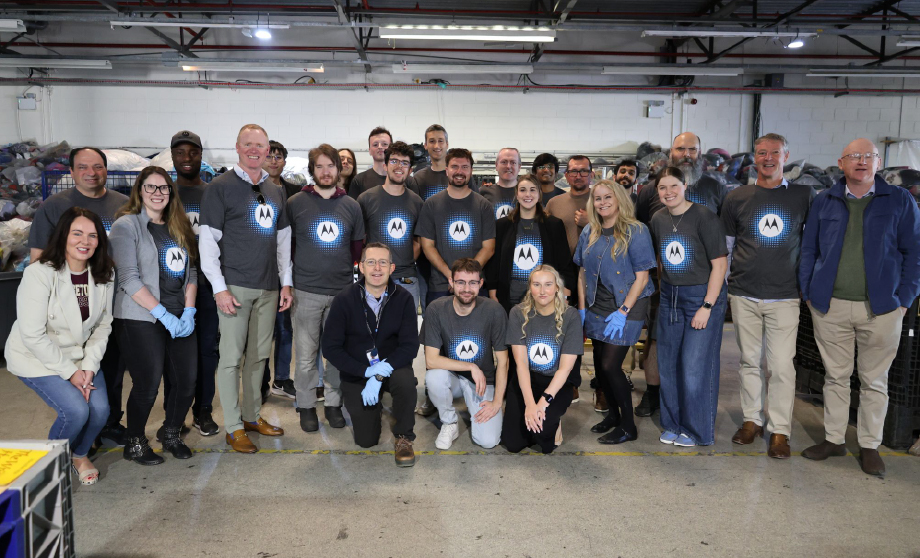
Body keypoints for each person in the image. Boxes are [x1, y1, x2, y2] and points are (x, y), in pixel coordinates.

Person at [800, 138, 920, 476]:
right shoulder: (824, 201)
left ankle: (869, 445)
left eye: (868, 156)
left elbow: (915, 252)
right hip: (830, 306)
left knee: (874, 381)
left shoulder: (899, 200)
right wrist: (809, 292)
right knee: (835, 378)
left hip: (882, 309)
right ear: (842, 163)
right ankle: (834, 439)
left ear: (878, 162)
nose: (861, 161)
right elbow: (809, 250)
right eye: (854, 156)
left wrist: (904, 300)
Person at [199, 124, 292, 454]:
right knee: (230, 359)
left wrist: (286, 282)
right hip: (235, 287)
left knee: (258, 358)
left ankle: (252, 417)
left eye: (261, 145)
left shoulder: (276, 190)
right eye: (248, 144)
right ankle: (234, 427)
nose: (255, 150)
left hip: (269, 288)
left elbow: (283, 241)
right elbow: (207, 242)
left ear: (268, 151)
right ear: (237, 147)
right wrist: (219, 289)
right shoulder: (220, 187)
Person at [721, 133, 814, 458]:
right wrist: (727, 284)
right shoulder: (737, 197)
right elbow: (729, 247)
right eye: (762, 153)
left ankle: (780, 431)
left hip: (785, 295)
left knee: (781, 366)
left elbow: (812, 245)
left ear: (785, 155)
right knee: (748, 361)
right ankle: (751, 421)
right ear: (755, 158)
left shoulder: (804, 195)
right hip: (745, 293)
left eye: (774, 152)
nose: (768, 158)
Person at [6, 207, 114, 485]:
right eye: (77, 233)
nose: (85, 241)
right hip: (36, 356)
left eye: (92, 235)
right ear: (63, 236)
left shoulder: (105, 274)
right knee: (76, 410)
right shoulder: (40, 273)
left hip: (79, 356)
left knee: (100, 410)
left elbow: (103, 325)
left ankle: (78, 454)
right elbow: (32, 334)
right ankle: (47, 465)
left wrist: (88, 367)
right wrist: (70, 373)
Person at [28, 148, 130, 446]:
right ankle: (84, 426)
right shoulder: (54, 206)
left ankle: (109, 423)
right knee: (76, 366)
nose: (91, 173)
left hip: (112, 300)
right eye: (83, 167)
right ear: (71, 172)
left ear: (106, 170)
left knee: (111, 366)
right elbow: (38, 258)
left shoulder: (123, 205)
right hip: (68, 308)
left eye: (98, 167)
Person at [634, 132, 728, 420]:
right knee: (658, 343)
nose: (686, 154)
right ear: (670, 151)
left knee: (694, 357)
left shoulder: (714, 187)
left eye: (692, 149)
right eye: (680, 148)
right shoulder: (651, 190)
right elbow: (642, 233)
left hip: (700, 284)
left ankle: (693, 415)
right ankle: (654, 394)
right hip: (664, 284)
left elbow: (721, 243)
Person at [109, 167, 198, 464]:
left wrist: (188, 310)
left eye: (163, 188)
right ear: (139, 190)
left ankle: (170, 433)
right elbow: (129, 278)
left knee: (186, 381)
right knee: (147, 384)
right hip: (140, 315)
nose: (157, 193)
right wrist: (162, 314)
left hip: (177, 312)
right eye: (151, 187)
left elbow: (192, 273)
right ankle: (134, 442)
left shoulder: (179, 226)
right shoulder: (126, 225)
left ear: (171, 193)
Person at [649, 167, 728, 447]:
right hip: (670, 296)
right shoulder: (658, 219)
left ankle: (696, 430)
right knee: (668, 365)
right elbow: (661, 261)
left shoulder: (704, 217)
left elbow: (719, 265)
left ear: (685, 185)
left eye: (673, 186)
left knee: (694, 367)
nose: (668, 192)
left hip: (701, 296)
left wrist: (707, 305)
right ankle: (673, 423)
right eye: (662, 188)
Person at [289, 143, 365, 432]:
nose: (325, 171)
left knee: (335, 355)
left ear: (339, 169)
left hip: (341, 293)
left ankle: (334, 405)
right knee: (306, 356)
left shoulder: (351, 206)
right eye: (319, 166)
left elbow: (358, 252)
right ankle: (306, 406)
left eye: (330, 165)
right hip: (306, 291)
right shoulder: (296, 204)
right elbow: (288, 249)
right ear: (312, 171)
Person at [321, 243, 419, 466]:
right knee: (366, 441)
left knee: (405, 382)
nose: (377, 268)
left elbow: (410, 346)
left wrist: (379, 373)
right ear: (361, 267)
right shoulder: (344, 300)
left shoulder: (403, 299)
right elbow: (331, 348)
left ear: (392, 267)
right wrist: (365, 371)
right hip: (358, 370)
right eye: (371, 262)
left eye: (383, 262)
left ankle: (404, 436)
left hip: (392, 367)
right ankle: (374, 409)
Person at [574, 180, 655, 445]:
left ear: (619, 198)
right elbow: (582, 272)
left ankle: (628, 426)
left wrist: (623, 311)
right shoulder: (590, 231)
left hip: (627, 304)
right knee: (599, 363)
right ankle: (614, 416)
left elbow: (642, 278)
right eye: (597, 198)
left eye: (608, 197)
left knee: (611, 365)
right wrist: (583, 308)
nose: (602, 202)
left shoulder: (637, 231)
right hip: (597, 304)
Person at [423, 259, 508, 450]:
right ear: (451, 283)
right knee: (434, 376)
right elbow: (431, 360)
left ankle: (475, 408)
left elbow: (503, 361)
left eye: (472, 283)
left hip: (481, 382)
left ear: (481, 284)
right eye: (460, 282)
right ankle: (449, 422)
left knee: (488, 441)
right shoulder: (436, 309)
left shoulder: (494, 311)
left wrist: (496, 402)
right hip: (452, 377)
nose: (466, 288)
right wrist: (470, 366)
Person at [502, 265, 583, 454]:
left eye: (548, 284)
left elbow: (564, 369)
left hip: (557, 382)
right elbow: (521, 364)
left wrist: (543, 403)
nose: (542, 290)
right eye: (537, 284)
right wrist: (530, 404)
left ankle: (552, 422)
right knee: (513, 444)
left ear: (557, 288)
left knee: (545, 443)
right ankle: (528, 421)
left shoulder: (570, 316)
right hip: (528, 379)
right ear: (530, 288)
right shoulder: (517, 313)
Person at [171, 130, 220, 436]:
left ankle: (203, 410)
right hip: (171, 287)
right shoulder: (165, 192)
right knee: (174, 353)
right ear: (172, 156)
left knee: (207, 350)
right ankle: (173, 415)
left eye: (193, 152)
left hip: (207, 285)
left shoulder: (213, 193)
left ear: (201, 156)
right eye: (180, 153)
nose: (187, 158)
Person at [417, 148, 496, 306]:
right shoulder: (431, 204)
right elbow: (427, 246)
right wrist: (451, 276)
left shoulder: (484, 206)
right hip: (441, 285)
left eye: (465, 167)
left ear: (471, 171)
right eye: (454, 167)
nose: (459, 171)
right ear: (447, 170)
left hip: (474, 286)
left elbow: (489, 248)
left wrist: (466, 279)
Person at [545, 154, 593, 406]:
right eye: (573, 171)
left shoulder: (601, 199)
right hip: (563, 273)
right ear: (566, 175)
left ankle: (600, 387)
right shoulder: (554, 202)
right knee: (564, 329)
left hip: (595, 272)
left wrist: (590, 223)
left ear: (591, 174)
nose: (578, 176)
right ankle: (569, 382)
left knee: (592, 330)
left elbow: (616, 229)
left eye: (583, 171)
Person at [487, 174, 575, 312]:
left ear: (539, 194)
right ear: (516, 193)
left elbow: (564, 263)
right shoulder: (502, 225)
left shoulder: (553, 225)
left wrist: (565, 294)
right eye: (523, 190)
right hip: (510, 298)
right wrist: (492, 292)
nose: (528, 194)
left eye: (532, 190)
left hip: (545, 298)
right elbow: (494, 262)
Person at [358, 141, 424, 311]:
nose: (399, 166)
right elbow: (358, 239)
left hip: (406, 280)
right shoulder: (366, 199)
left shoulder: (417, 202)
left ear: (410, 170)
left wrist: (401, 263)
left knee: (405, 332)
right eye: (394, 161)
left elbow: (418, 241)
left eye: (404, 163)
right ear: (385, 165)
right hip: (373, 278)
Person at [260, 139, 297, 401]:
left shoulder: (295, 191)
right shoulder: (251, 188)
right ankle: (260, 382)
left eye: (279, 156)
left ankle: (282, 379)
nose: (273, 160)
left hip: (287, 266)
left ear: (284, 160)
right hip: (259, 268)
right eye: (269, 155)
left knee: (285, 328)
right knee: (261, 331)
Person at [407, 124, 450, 201]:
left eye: (440, 141)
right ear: (425, 145)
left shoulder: (459, 175)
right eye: (432, 141)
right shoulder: (418, 178)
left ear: (447, 144)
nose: (436, 146)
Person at [349, 127, 392, 199]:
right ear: (369, 150)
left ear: (392, 148)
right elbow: (352, 209)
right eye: (375, 145)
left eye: (384, 144)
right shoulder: (359, 180)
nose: (380, 147)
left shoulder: (402, 179)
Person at [480, 147, 521, 220]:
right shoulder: (483, 192)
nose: (508, 166)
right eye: (504, 162)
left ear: (519, 167)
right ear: (496, 165)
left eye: (513, 162)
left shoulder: (528, 194)